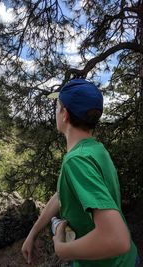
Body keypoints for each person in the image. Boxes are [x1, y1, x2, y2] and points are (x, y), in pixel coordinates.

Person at [22, 79, 139, 267]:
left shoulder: (76, 161)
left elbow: (118, 239)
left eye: (57, 106)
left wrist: (62, 249)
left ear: (65, 114)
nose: (55, 111)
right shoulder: (95, 149)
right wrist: (33, 233)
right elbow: (63, 193)